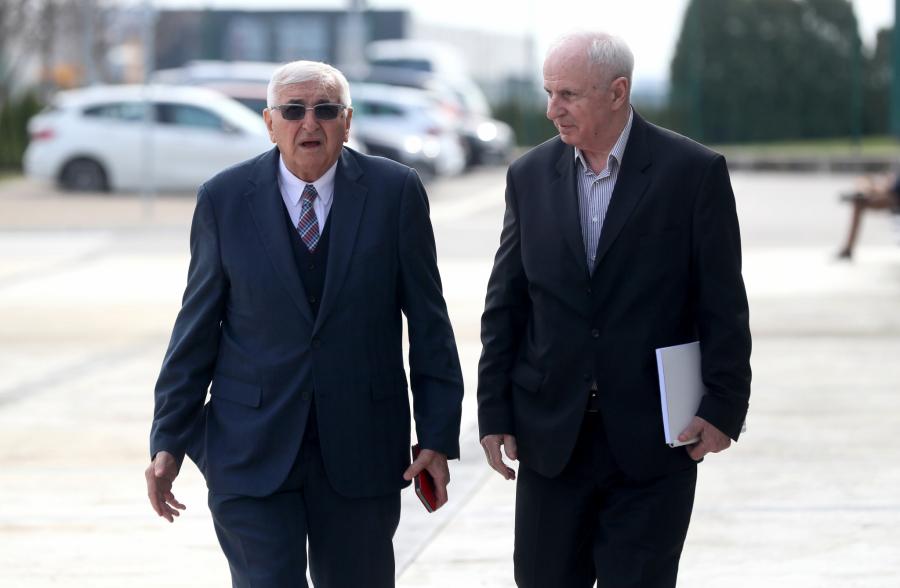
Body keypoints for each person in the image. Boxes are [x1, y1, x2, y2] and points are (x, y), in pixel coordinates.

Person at [145, 60, 464, 588]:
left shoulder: (396, 193)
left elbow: (431, 324)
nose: (309, 123)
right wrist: (168, 440)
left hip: (362, 450)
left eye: (326, 110)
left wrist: (437, 436)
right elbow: (194, 330)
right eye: (293, 111)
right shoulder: (223, 199)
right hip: (250, 449)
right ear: (270, 123)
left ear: (348, 121)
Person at [477, 31, 751, 588]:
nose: (552, 109)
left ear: (617, 92)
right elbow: (506, 303)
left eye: (568, 94)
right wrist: (494, 412)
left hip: (653, 441)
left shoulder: (692, 173)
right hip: (552, 438)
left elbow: (723, 303)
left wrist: (725, 407)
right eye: (549, 93)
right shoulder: (528, 176)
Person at [837, 174, 900, 260]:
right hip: (889, 192)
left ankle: (862, 193)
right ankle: (862, 193)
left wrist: (890, 184)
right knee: (863, 180)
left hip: (895, 197)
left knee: (859, 202)